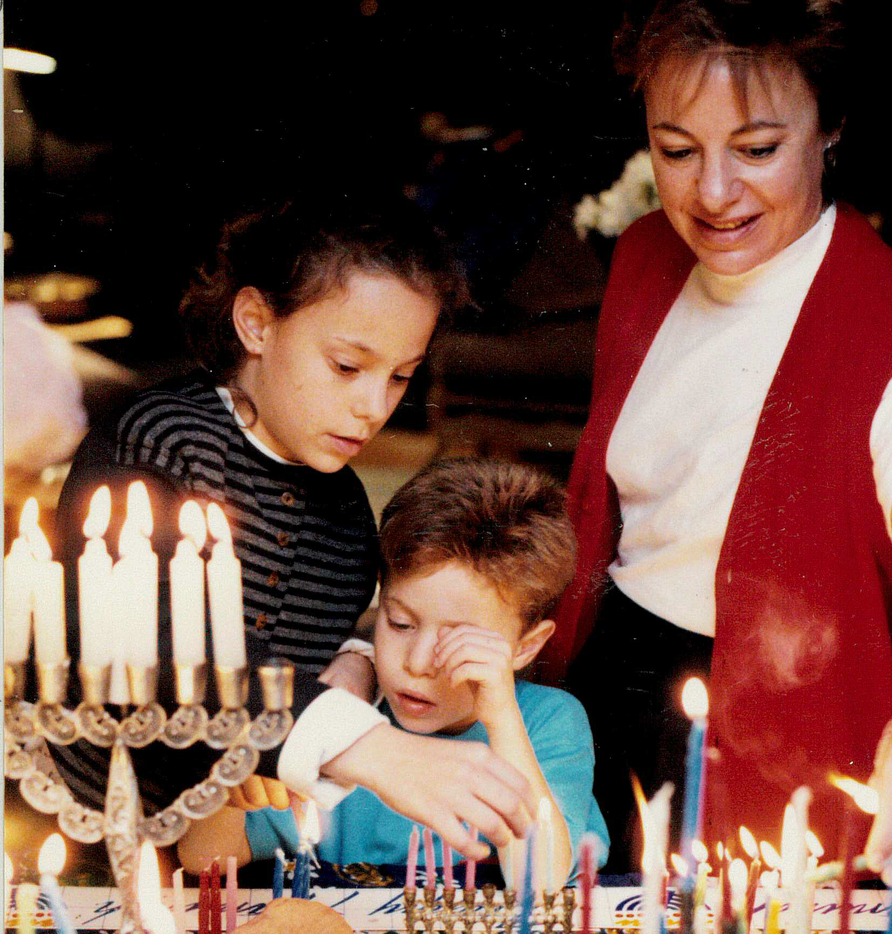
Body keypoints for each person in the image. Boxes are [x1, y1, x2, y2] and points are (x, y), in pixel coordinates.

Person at [543, 0, 892, 873]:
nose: (713, 192)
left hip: (772, 725)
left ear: (830, 125)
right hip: (603, 689)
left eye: (756, 148)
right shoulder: (641, 259)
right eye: (677, 150)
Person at [51, 196, 535, 861]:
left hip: (216, 863)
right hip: (76, 839)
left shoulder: (344, 517)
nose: (373, 407)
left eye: (399, 377)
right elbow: (144, 640)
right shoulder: (161, 439)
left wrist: (353, 663)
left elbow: (292, 689)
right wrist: (368, 745)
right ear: (255, 322)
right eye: (345, 365)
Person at [179, 459, 609, 885]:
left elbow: (542, 883)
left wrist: (502, 718)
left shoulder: (547, 722)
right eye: (400, 623)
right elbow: (204, 857)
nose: (416, 664)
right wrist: (240, 769)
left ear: (526, 646)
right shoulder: (336, 713)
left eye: (459, 641)